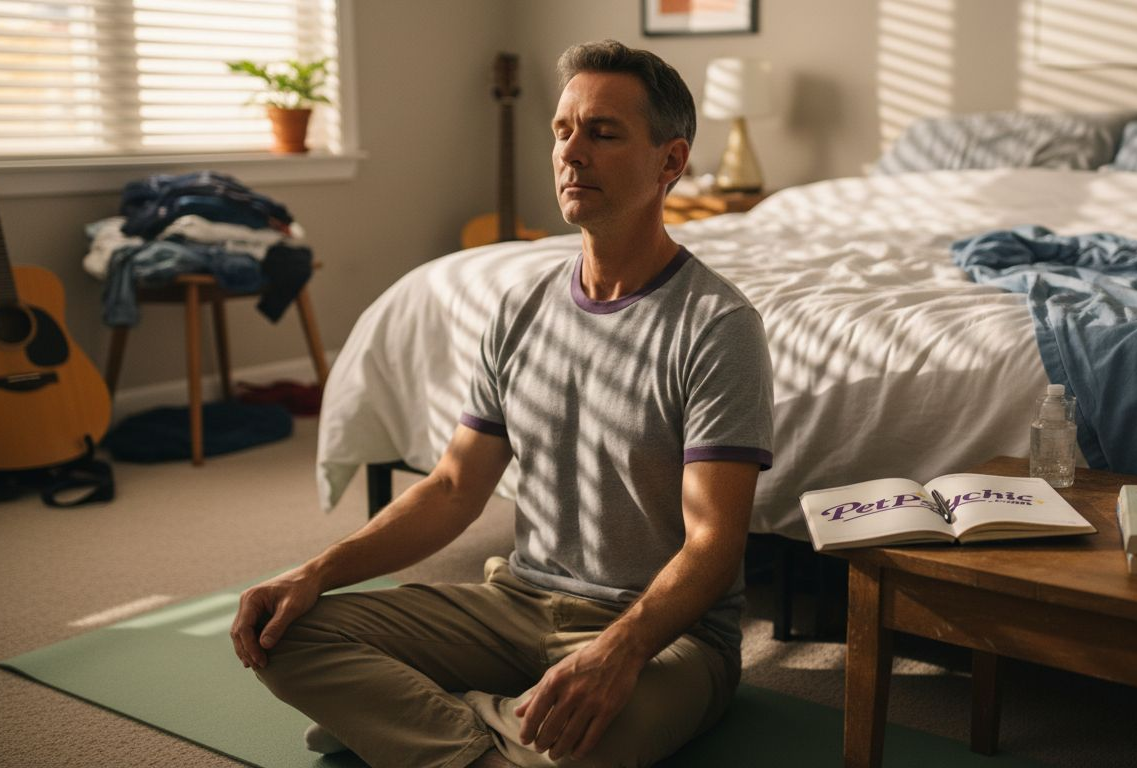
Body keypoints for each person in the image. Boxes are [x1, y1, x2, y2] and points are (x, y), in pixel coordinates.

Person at [229, 39, 774, 768]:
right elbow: (454, 487)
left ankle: (417, 726)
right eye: (562, 130)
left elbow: (714, 545)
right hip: (516, 604)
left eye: (603, 133)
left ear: (670, 163)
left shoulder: (718, 327)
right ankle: (490, 734)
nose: (571, 153)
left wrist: (615, 653)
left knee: (581, 746)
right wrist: (314, 573)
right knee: (282, 633)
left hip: (665, 636)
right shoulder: (521, 306)